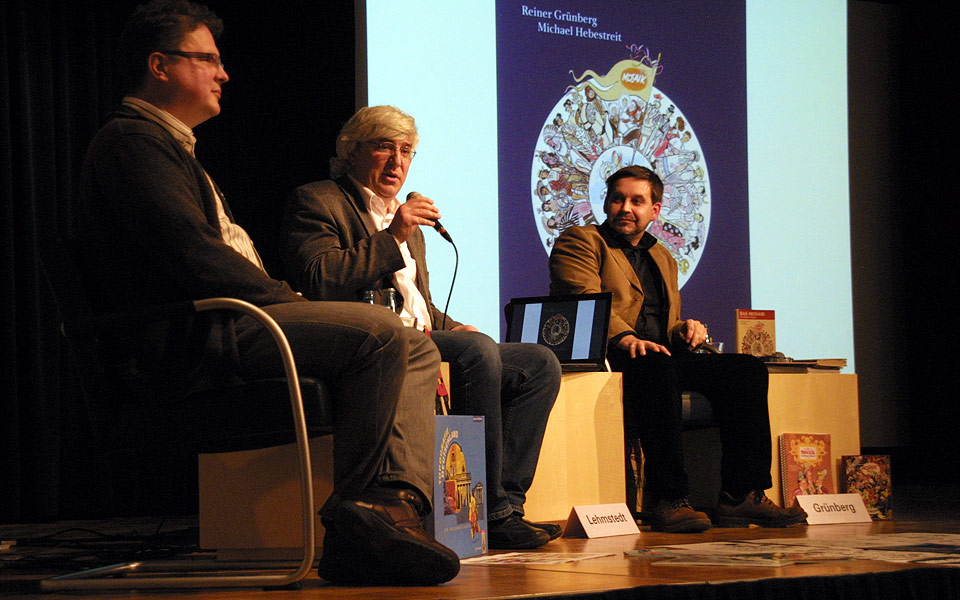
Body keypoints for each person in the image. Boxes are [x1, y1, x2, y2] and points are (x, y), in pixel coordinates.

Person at [73, 0, 458, 584]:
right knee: (381, 333)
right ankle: (361, 522)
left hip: (227, 321)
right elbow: (195, 257)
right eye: (207, 60)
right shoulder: (132, 142)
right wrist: (288, 303)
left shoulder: (169, 146)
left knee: (416, 344)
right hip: (196, 338)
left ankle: (390, 510)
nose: (223, 73)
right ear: (159, 65)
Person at [280, 105, 562, 549]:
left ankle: (508, 502)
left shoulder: (405, 217)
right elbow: (319, 278)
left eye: (406, 150)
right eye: (384, 147)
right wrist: (392, 236)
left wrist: (457, 326)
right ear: (352, 151)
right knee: (477, 354)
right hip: (371, 344)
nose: (397, 161)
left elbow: (418, 303)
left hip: (424, 336)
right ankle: (488, 513)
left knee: (537, 363)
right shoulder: (319, 201)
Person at [548, 165, 807, 533]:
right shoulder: (581, 241)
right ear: (605, 204)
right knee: (656, 366)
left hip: (658, 354)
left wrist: (683, 329)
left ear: (655, 210)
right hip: (610, 352)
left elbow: (661, 321)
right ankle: (669, 498)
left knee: (746, 370)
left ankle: (741, 495)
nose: (626, 208)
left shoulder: (662, 256)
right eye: (618, 199)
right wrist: (626, 337)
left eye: (637, 201)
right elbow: (583, 298)